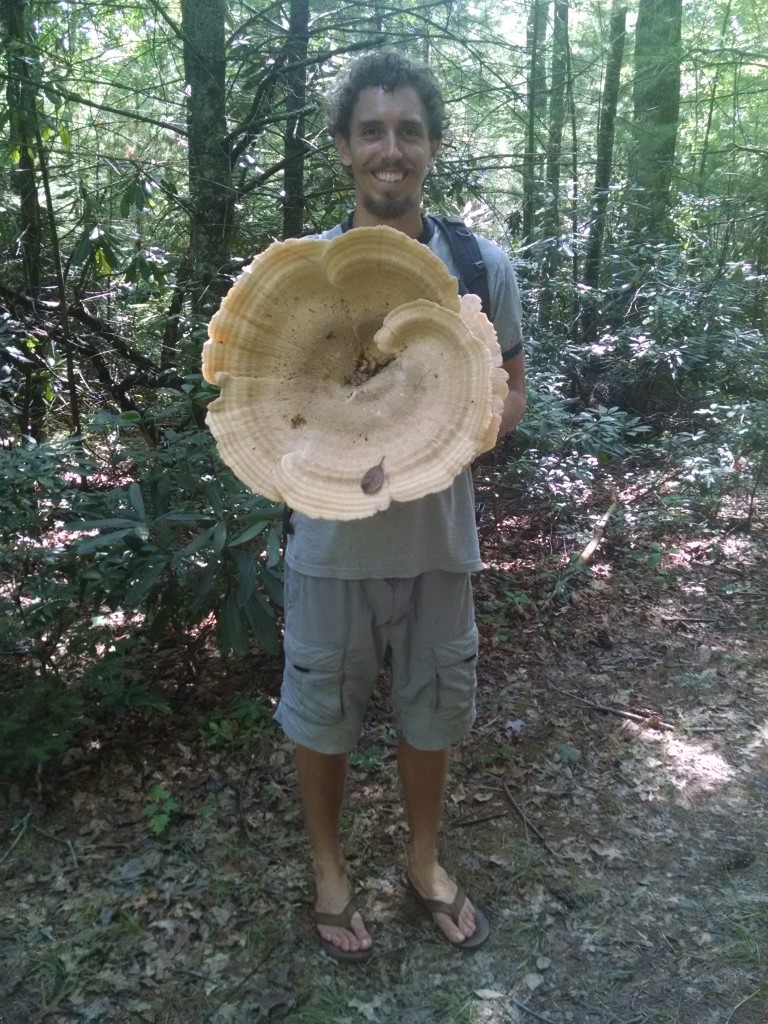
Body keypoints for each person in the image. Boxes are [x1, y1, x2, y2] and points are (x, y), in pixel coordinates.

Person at [274, 51, 527, 960]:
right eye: (373, 130)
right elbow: (273, 399)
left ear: (433, 147)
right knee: (322, 714)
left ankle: (425, 862)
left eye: (409, 131)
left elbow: (510, 391)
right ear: (344, 146)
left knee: (433, 711)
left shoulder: (477, 264)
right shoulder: (302, 274)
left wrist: (449, 434)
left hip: (438, 546)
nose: (393, 149)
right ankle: (330, 868)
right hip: (333, 550)